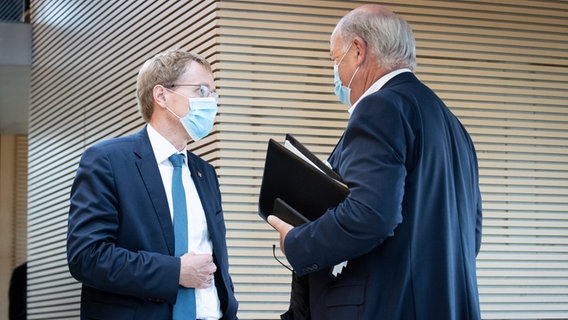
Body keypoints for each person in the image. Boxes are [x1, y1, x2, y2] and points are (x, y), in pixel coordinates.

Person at [268, 4, 482, 320]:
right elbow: (471, 234)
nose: (336, 73)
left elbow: (370, 215)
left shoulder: (380, 107)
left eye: (334, 59)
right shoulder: (453, 126)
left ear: (358, 51)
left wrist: (297, 242)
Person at [67, 49, 238, 320]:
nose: (212, 102)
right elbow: (87, 256)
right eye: (202, 90)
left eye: (214, 94)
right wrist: (174, 272)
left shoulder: (205, 173)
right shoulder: (108, 161)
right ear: (161, 96)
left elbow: (217, 265)